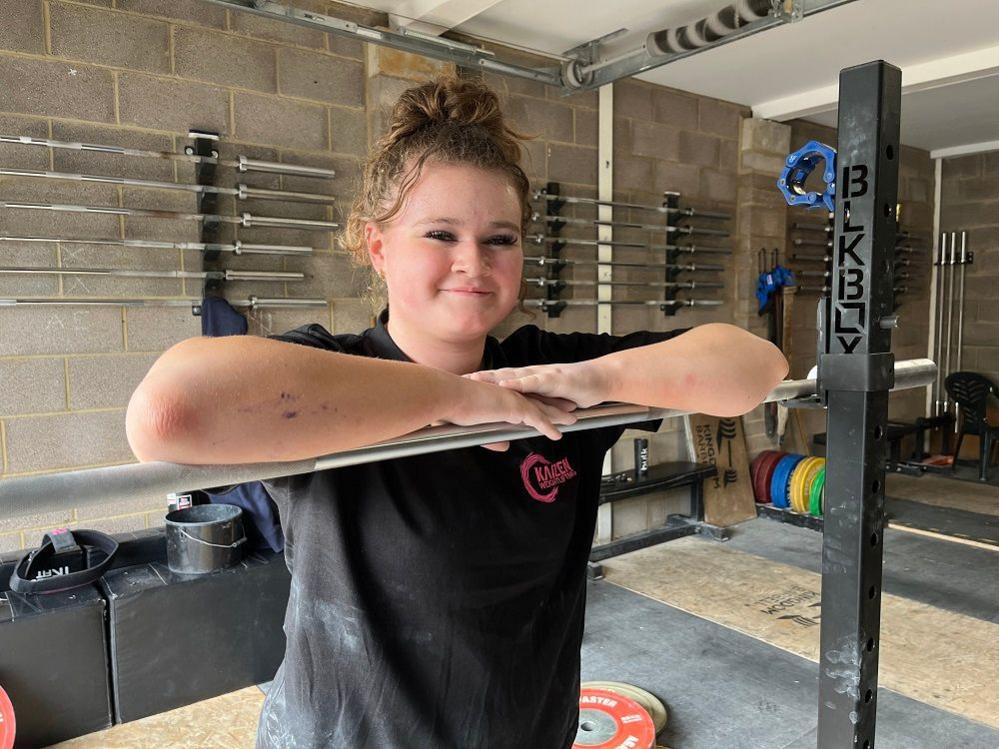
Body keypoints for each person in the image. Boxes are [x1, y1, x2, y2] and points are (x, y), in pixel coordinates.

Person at [125, 75, 788, 749]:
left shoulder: (548, 370)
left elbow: (754, 368)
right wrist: (455, 395)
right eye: (439, 233)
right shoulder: (330, 373)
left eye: (499, 238)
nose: (473, 261)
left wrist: (595, 377)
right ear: (377, 247)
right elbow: (168, 413)